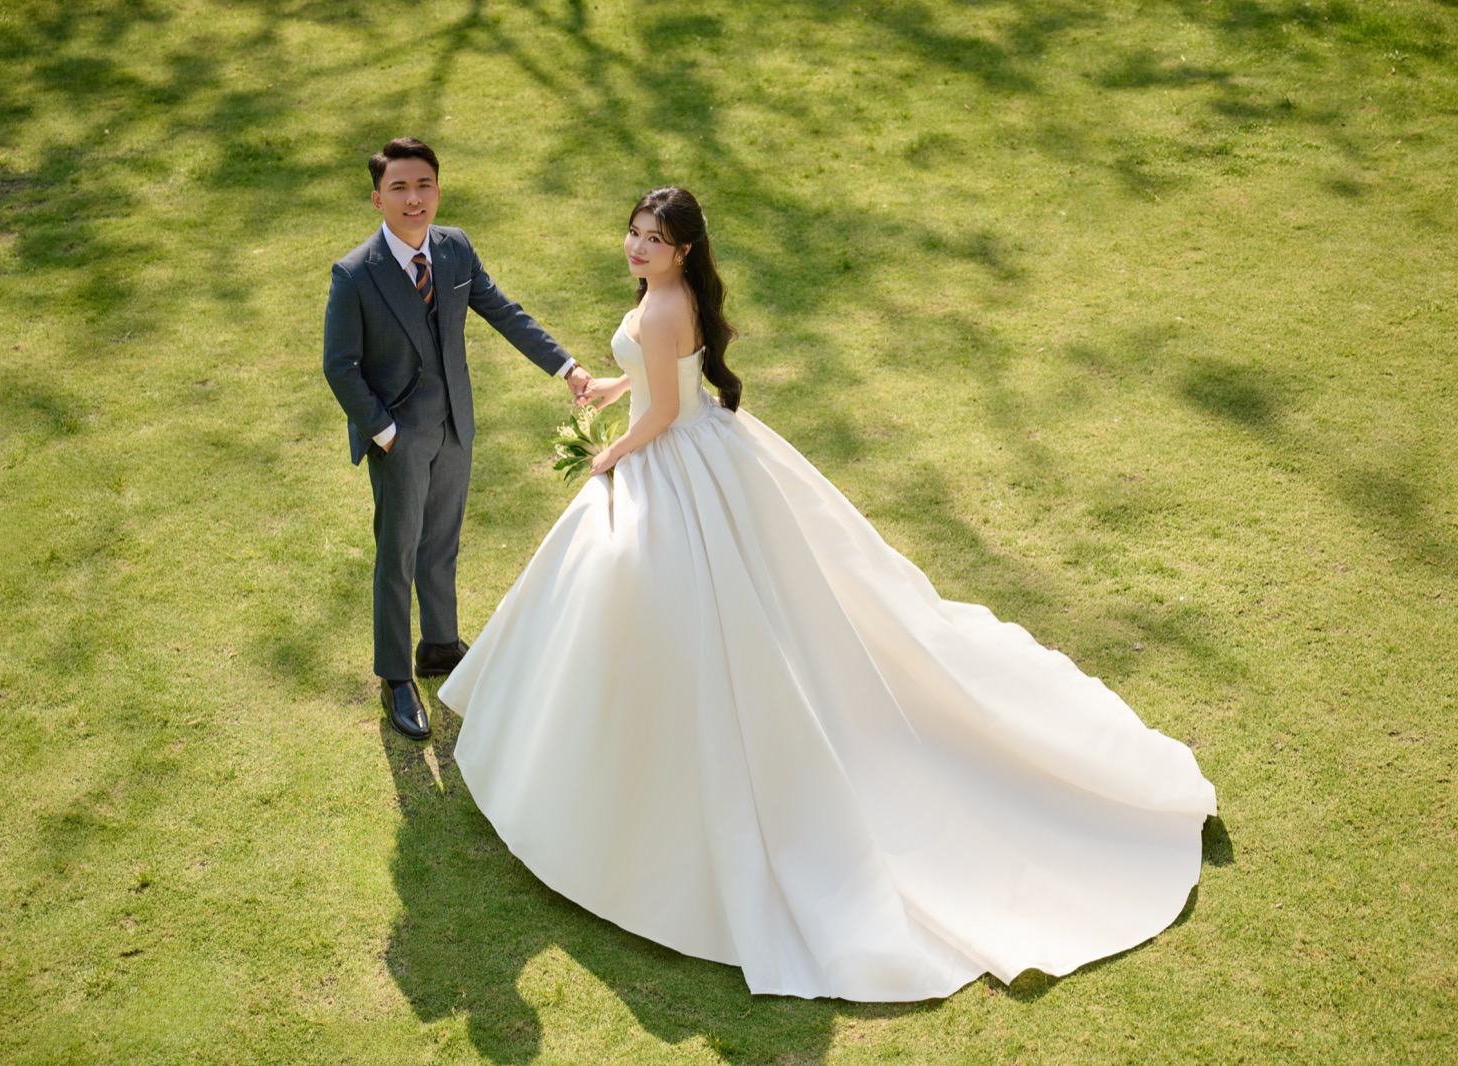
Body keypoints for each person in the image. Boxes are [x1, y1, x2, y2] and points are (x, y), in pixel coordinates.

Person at [436, 187, 1217, 1001]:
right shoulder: (664, 300)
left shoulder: (668, 308)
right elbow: (660, 380)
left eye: (652, 240)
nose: (635, 247)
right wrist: (605, 392)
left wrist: (611, 455)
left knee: (671, 606)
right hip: (698, 454)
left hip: (676, 459)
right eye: (633, 232)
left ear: (684, 251)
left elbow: (667, 409)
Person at [322, 138, 591, 742]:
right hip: (398, 439)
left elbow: (502, 310)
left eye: (424, 186)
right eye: (399, 188)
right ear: (377, 199)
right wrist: (385, 433)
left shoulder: (454, 248)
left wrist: (566, 366)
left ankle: (439, 645)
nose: (413, 198)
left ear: (437, 189)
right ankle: (395, 676)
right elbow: (340, 366)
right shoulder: (355, 274)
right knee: (398, 554)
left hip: (455, 428)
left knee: (441, 545)